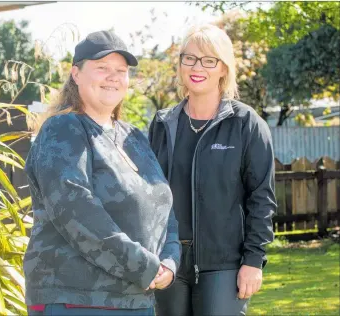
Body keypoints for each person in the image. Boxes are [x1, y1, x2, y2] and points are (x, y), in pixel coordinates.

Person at [24, 30, 181, 316]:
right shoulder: (63, 131)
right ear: (76, 74)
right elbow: (77, 212)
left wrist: (170, 261)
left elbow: (164, 203)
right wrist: (145, 266)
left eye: (121, 71)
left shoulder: (133, 137)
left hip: (136, 298)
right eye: (102, 68)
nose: (113, 76)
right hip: (78, 298)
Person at [149, 24, 276, 316]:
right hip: (169, 261)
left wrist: (253, 261)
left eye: (209, 60)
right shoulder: (162, 123)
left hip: (224, 263)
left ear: (223, 69)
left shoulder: (246, 124)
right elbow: (149, 194)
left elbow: (261, 198)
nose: (197, 67)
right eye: (189, 58)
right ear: (180, 64)